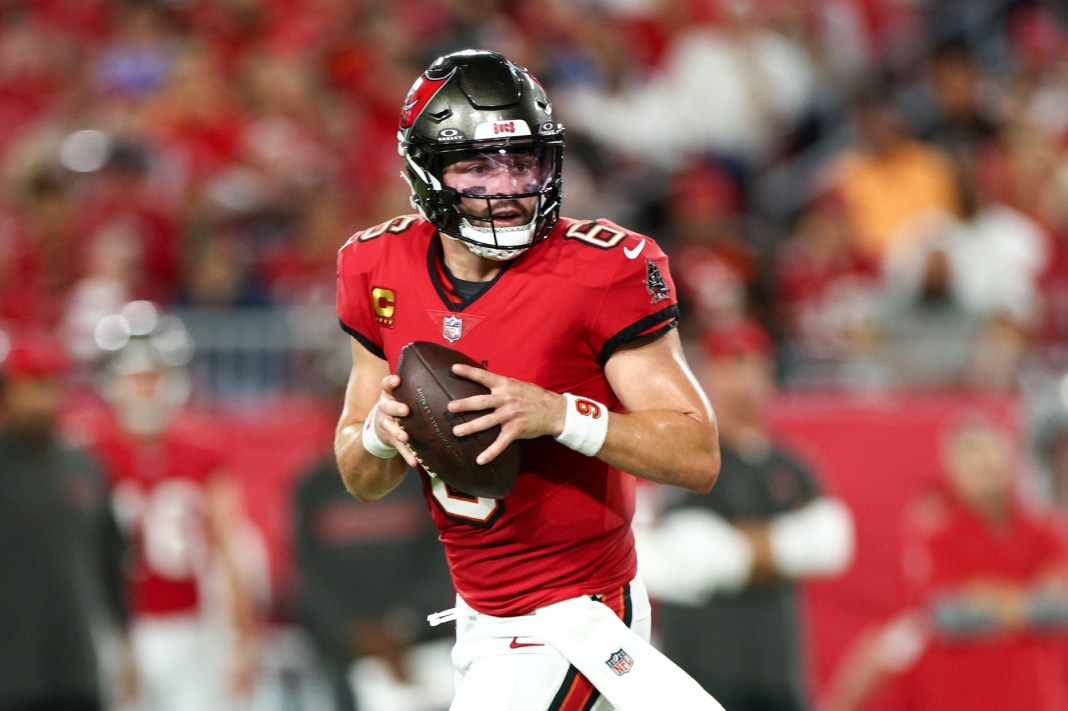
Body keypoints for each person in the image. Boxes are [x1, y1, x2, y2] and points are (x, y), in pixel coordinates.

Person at [334, 49, 723, 711]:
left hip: (577, 615)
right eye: (479, 165)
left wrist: (559, 414)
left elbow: (697, 453)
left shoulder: (603, 271)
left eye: (524, 161)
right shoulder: (376, 265)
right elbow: (359, 478)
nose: (509, 185)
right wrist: (378, 433)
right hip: (480, 614)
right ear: (426, 171)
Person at [635, 319, 855, 710]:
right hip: (700, 672)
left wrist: (733, 551)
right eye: (731, 366)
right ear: (707, 376)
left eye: (754, 365)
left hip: (778, 670)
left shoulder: (792, 465)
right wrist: (785, 547)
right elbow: (683, 561)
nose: (744, 380)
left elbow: (831, 544)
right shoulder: (684, 460)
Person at [820, 419, 1068, 711]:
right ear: (953, 470)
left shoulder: (1042, 530)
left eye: (993, 460)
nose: (987, 471)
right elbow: (947, 614)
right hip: (962, 694)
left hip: (1035, 694)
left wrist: (985, 597)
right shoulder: (936, 533)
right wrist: (1029, 600)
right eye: (975, 463)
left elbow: (1060, 606)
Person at [87, 302, 261, 711]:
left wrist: (244, 642)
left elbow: (229, 547)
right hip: (116, 627)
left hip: (193, 629)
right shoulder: (90, 457)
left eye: (153, 377)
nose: (145, 389)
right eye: (135, 379)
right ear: (112, 383)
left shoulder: (201, 455)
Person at [0, 336, 134, 711]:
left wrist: (124, 642)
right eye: (30, 388)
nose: (42, 400)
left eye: (50, 386)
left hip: (77, 671)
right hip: (8, 677)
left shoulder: (85, 468)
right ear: (8, 392)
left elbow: (111, 562)